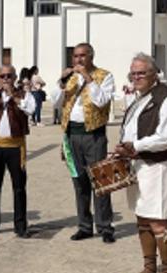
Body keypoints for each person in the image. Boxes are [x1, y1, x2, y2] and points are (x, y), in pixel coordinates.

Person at [117, 53, 167, 273]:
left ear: (154, 74)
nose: (136, 77)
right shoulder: (140, 99)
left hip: (158, 166)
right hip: (138, 164)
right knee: (142, 217)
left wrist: (136, 146)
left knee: (157, 219)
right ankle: (149, 268)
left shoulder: (166, 98)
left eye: (141, 73)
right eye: (133, 73)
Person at [53, 42, 117, 243]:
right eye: (75, 56)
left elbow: (101, 101)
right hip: (72, 134)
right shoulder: (70, 79)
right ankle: (85, 225)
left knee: (100, 180)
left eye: (82, 56)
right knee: (79, 181)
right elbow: (55, 101)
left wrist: (88, 79)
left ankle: (105, 226)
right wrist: (61, 82)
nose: (78, 60)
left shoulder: (104, 76)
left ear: (91, 57)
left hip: (94, 135)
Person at [0, 64, 36, 238]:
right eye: (2, 76)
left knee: (19, 187)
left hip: (16, 147)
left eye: (9, 76)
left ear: (15, 78)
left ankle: (20, 226)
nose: (6, 80)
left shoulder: (24, 95)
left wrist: (14, 97)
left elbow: (31, 109)